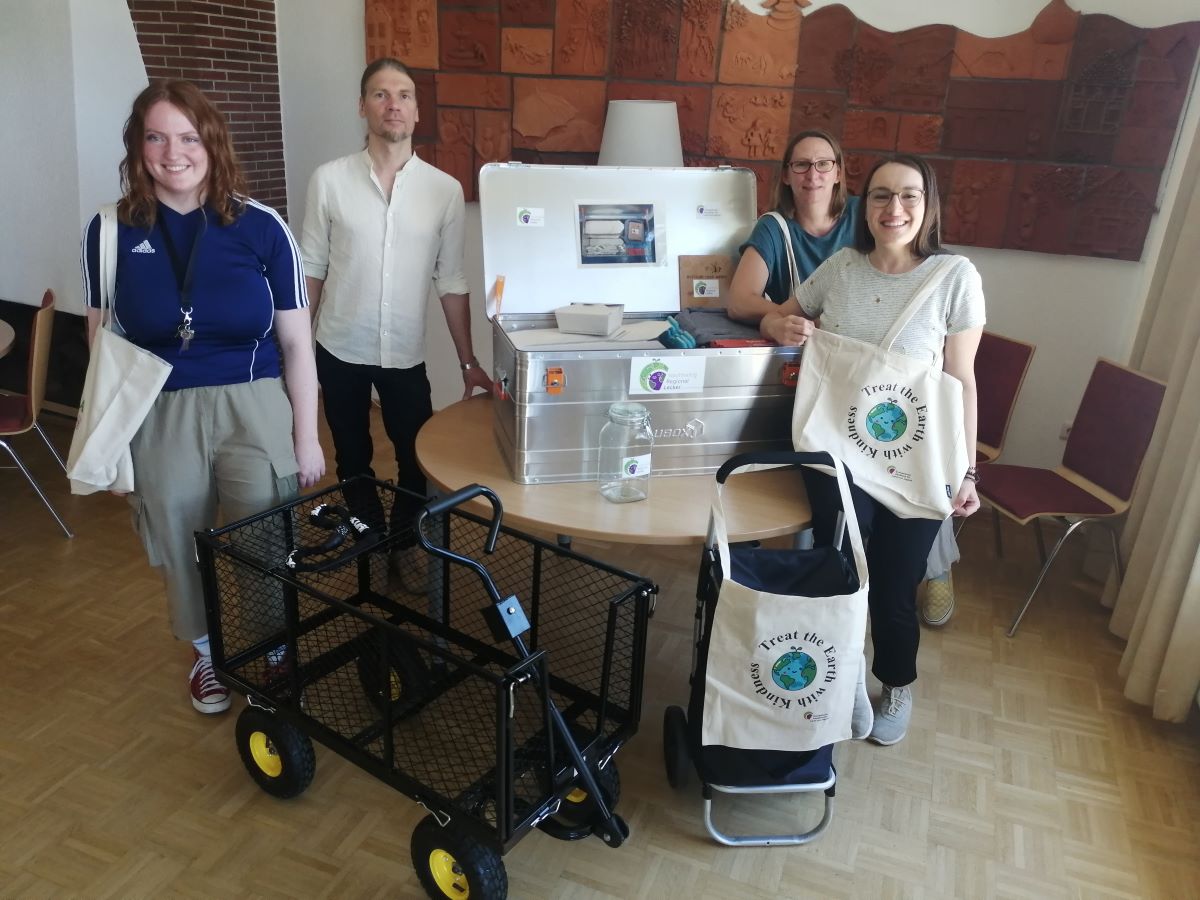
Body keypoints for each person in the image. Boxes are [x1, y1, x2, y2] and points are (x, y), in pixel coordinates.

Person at [81, 80, 324, 714]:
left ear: (211, 143)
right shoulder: (109, 231)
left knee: (264, 536)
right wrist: (113, 445)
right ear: (138, 147)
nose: (174, 153)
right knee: (179, 539)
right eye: (156, 137)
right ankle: (208, 654)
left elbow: (298, 345)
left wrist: (305, 437)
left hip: (254, 402)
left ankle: (271, 650)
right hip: (160, 410)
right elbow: (100, 343)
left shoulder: (263, 227)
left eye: (189, 137)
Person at [760, 155, 985, 746]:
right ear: (864, 205)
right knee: (844, 575)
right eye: (882, 196)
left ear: (927, 204)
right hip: (837, 455)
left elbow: (961, 377)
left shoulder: (954, 276)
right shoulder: (841, 268)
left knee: (894, 583)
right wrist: (778, 327)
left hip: (915, 458)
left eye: (909, 196)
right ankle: (847, 675)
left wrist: (967, 471)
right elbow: (779, 318)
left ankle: (897, 681)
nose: (895, 209)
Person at [300, 57, 491, 561]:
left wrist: (468, 362)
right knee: (352, 457)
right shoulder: (329, 181)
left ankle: (405, 542)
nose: (393, 104)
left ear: (417, 111)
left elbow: (451, 280)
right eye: (381, 94)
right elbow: (312, 268)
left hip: (404, 353)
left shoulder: (444, 191)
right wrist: (296, 356)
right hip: (337, 348)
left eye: (403, 95)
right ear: (362, 107)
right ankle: (367, 538)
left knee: (415, 455)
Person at [726, 129, 859, 323]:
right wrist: (797, 321)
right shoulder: (773, 228)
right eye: (801, 165)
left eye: (823, 164)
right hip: (803, 346)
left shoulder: (863, 214)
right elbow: (739, 302)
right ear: (786, 176)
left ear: (838, 174)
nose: (812, 175)